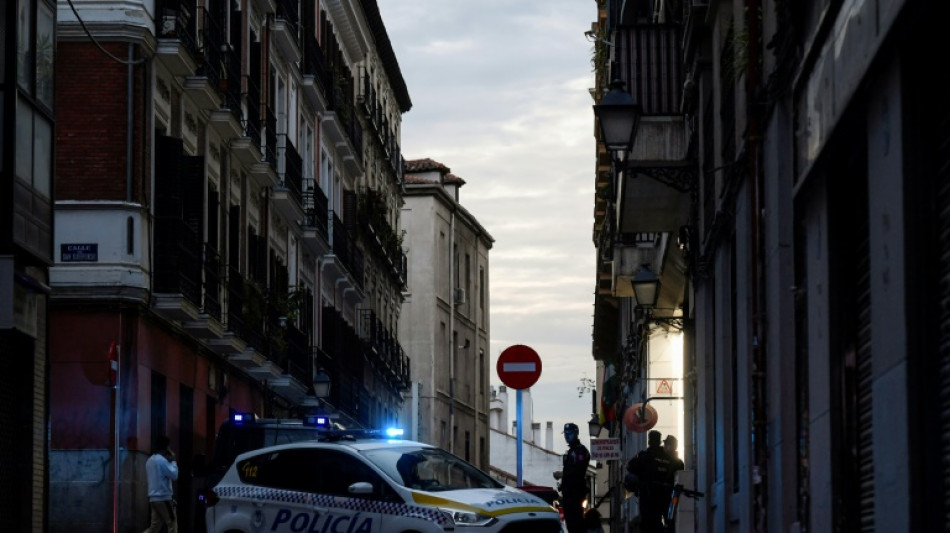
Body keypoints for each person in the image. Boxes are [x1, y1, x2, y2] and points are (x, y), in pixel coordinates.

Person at [626, 430, 672, 533]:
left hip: (648, 495)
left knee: (648, 524)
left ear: (649, 441)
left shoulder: (644, 456)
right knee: (662, 522)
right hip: (664, 495)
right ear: (659, 442)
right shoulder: (668, 458)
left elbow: (630, 466)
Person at [553, 422, 590, 533]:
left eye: (569, 433)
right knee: (571, 524)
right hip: (569, 494)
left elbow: (577, 470)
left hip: (575, 493)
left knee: (576, 524)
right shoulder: (572, 451)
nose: (567, 436)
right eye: (565, 433)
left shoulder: (580, 450)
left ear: (576, 433)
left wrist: (562, 474)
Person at [143, 435, 179, 533]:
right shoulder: (162, 461)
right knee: (172, 525)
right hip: (164, 498)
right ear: (166, 447)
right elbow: (174, 475)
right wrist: (173, 461)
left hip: (153, 498)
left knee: (154, 527)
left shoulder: (149, 460)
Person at [661, 435, 686, 532]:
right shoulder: (677, 461)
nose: (664, 447)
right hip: (669, 495)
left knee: (670, 520)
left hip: (671, 496)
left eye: (667, 445)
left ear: (672, 446)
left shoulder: (675, 462)